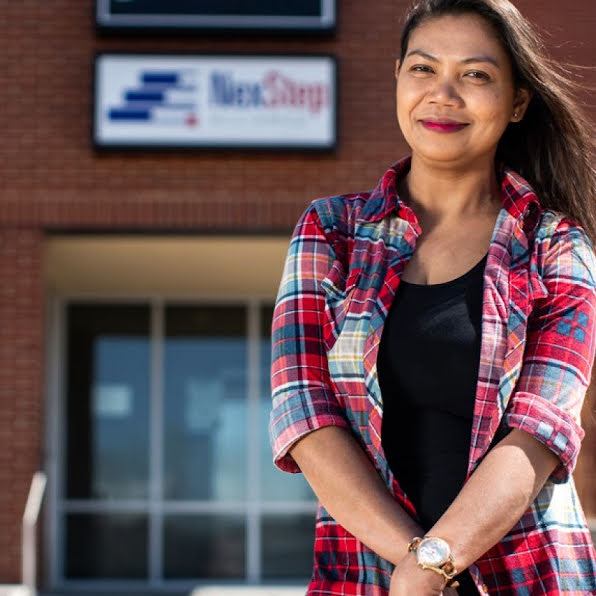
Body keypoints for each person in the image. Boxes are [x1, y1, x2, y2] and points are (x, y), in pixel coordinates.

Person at [269, 0, 596, 594]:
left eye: (475, 75)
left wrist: (432, 563)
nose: (443, 94)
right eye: (423, 69)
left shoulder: (556, 245)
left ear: (518, 101)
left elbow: (540, 432)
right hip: (368, 575)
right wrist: (416, 567)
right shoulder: (330, 232)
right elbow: (305, 416)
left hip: (530, 574)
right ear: (397, 77)